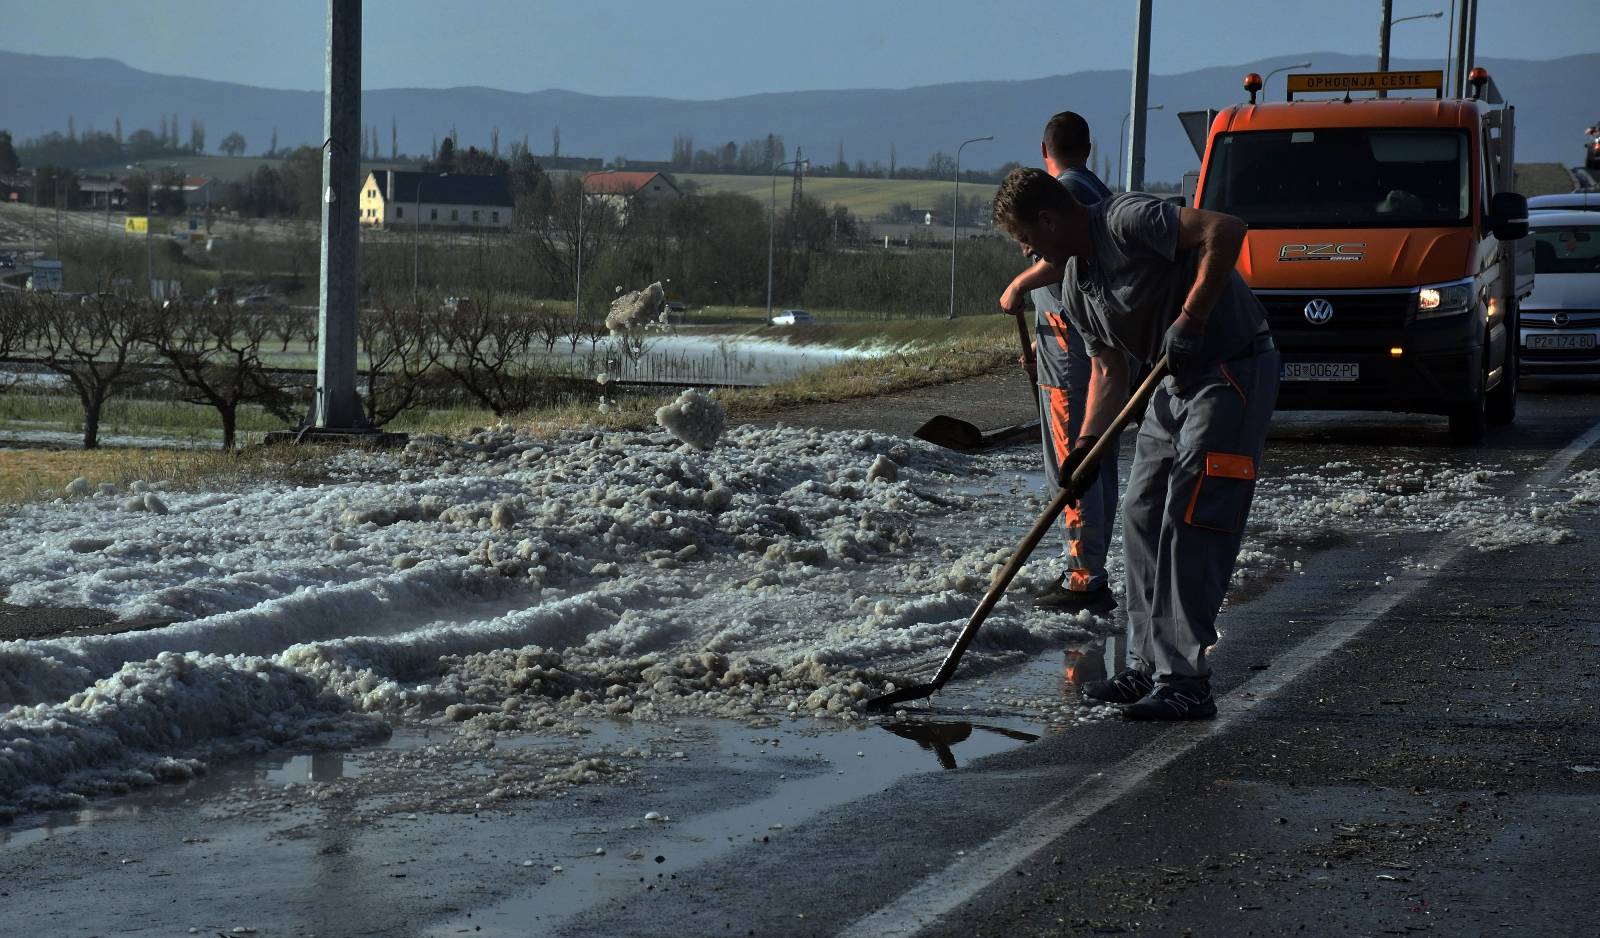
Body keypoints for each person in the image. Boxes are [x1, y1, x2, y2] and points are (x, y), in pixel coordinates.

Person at [991, 167, 1279, 721]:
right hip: (1172, 382)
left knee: (1191, 514)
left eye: (1024, 238)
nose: (1026, 250)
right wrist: (1087, 447)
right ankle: (1149, 664)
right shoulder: (1075, 287)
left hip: (1232, 365)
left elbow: (1227, 228)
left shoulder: (1125, 221)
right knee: (1140, 512)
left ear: (1048, 220)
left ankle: (1187, 679)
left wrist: (1192, 317)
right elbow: (1107, 369)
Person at [998, 111, 1118, 613]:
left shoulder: (1065, 193)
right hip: (1069, 348)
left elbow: (1063, 260)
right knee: (1096, 465)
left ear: (1044, 148)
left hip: (1072, 358)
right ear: (1088, 146)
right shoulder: (1094, 186)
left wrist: (1018, 284)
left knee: (1073, 467)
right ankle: (1088, 566)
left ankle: (1083, 577)